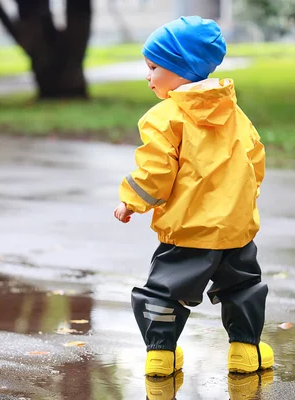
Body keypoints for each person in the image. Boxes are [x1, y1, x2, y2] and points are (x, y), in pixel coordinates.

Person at [113, 16, 274, 377]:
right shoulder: (234, 112)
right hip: (235, 231)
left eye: (154, 67)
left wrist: (131, 201)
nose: (148, 76)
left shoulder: (165, 117)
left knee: (164, 292)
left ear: (180, 68)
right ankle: (245, 352)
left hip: (188, 232)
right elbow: (254, 158)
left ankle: (161, 356)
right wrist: (243, 199)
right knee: (243, 287)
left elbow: (156, 171)